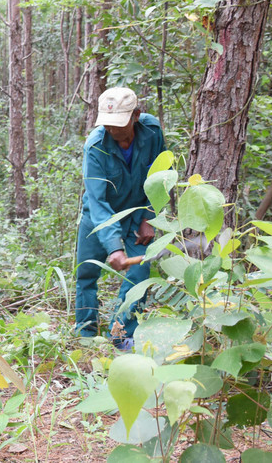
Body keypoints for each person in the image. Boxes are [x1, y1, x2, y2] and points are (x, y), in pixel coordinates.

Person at [75, 87, 165, 351]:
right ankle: (85, 334)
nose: (112, 129)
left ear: (136, 115)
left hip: (137, 213)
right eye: (108, 124)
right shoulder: (95, 146)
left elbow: (160, 176)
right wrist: (114, 246)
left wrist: (149, 217)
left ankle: (121, 335)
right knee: (87, 273)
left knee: (139, 273)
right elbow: (97, 200)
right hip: (98, 216)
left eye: (119, 123)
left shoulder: (152, 132)